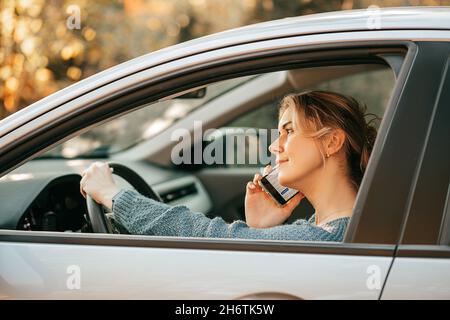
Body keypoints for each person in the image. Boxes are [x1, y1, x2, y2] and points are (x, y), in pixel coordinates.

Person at [80, 90, 378, 241]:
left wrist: (114, 195)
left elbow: (208, 234)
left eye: (290, 131)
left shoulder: (323, 237)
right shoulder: (332, 228)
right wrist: (259, 232)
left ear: (331, 142)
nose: (276, 146)